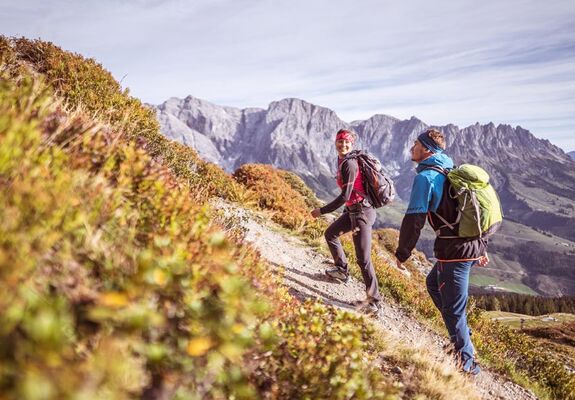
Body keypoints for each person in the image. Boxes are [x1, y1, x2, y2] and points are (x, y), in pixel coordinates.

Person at [394, 128, 488, 375]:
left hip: (455, 251)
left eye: (415, 144)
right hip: (469, 245)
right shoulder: (451, 169)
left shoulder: (426, 177)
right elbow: (476, 213)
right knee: (433, 284)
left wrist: (402, 252)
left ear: (426, 149)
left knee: (454, 310)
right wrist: (482, 247)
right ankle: (463, 336)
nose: (411, 147)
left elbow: (415, 219)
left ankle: (467, 364)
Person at [311, 129, 382, 316]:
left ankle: (374, 302)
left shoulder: (349, 163)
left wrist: (322, 210)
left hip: (362, 214)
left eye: (347, 142)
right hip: (353, 211)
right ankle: (342, 271)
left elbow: (346, 195)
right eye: (340, 142)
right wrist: (346, 210)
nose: (343, 145)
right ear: (335, 143)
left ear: (352, 144)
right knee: (331, 234)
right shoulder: (342, 160)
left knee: (363, 258)